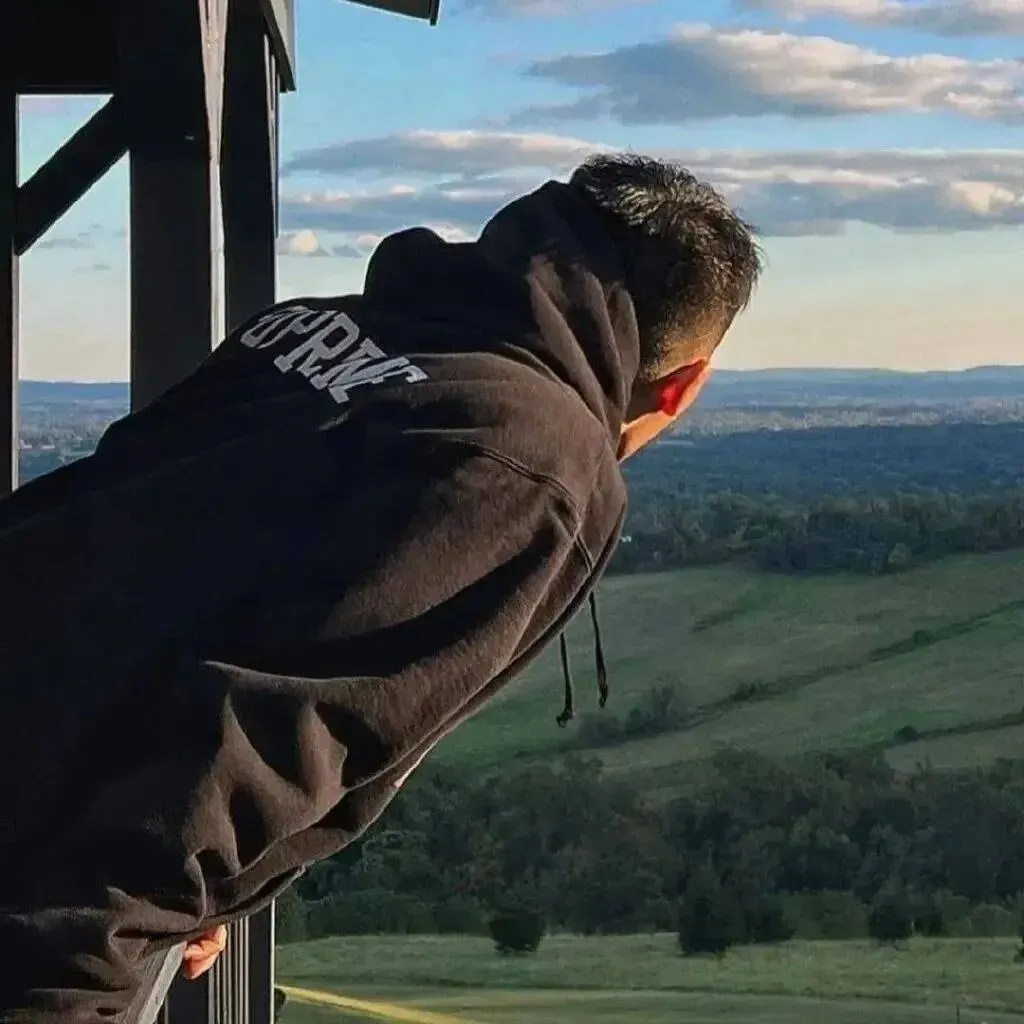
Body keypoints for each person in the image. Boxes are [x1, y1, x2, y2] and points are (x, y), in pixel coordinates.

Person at [0, 154, 761, 1018]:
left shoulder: (308, 327)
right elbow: (266, 739)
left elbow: (134, 560)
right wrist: (82, 961)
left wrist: (205, 891)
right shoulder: (529, 456)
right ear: (683, 386)